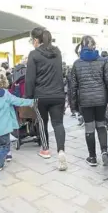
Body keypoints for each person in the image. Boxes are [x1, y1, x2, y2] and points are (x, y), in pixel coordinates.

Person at [71, 36, 108, 166]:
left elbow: (73, 87)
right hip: (100, 99)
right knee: (101, 125)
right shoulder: (103, 61)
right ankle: (104, 152)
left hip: (85, 100)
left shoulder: (77, 63)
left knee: (89, 127)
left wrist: (73, 106)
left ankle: (92, 157)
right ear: (94, 46)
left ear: (82, 46)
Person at [25, 28, 68, 171]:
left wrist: (28, 97)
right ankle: (61, 151)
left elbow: (30, 78)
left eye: (32, 40)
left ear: (36, 40)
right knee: (58, 123)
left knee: (42, 122)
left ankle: (45, 149)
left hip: (41, 95)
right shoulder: (57, 52)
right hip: (58, 95)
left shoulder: (34, 54)